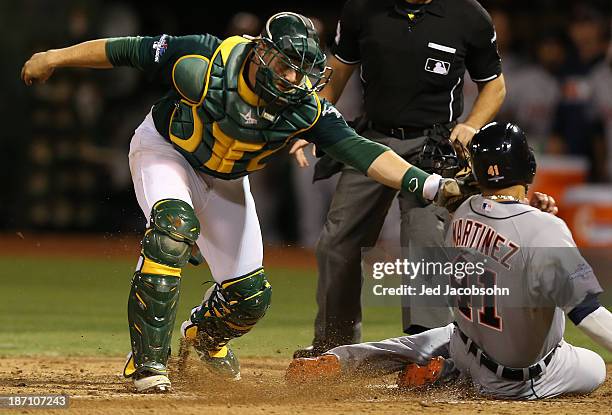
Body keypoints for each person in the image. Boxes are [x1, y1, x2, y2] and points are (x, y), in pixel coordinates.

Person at [21, 12, 463, 393]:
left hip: (227, 178)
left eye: (302, 73)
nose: (294, 81)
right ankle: (148, 363)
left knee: (248, 298)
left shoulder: (305, 108)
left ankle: (203, 339)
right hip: (168, 151)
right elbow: (127, 49)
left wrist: (430, 185)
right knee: (173, 228)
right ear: (261, 53)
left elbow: (364, 152)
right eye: (287, 67)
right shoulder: (207, 59)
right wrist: (54, 57)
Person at [286, 122, 612, 400]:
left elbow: (489, 217)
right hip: (519, 379)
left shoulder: (461, 209)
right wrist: (540, 225)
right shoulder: (545, 229)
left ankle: (341, 361)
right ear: (527, 166)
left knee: (421, 341)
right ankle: (451, 376)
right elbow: (588, 314)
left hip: (466, 347)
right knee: (595, 366)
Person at [291, 0, 507, 357]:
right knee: (337, 239)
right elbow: (338, 73)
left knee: (424, 238)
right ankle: (333, 344)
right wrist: (313, 123)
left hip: (434, 144)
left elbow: (495, 86)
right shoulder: (362, 8)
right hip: (371, 141)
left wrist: (470, 125)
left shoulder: (468, 14)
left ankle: (431, 348)